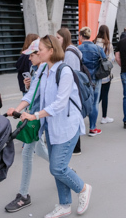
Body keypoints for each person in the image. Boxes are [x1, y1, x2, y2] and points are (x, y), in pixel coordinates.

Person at [19, 35, 92, 218]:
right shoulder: (43, 69)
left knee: (57, 168)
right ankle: (65, 205)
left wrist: (34, 115)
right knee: (58, 166)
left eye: (40, 50)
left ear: (51, 51)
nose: (37, 53)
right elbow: (32, 94)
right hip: (51, 127)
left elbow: (60, 104)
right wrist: (16, 108)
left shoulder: (65, 71)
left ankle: (83, 188)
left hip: (67, 126)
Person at [5, 39, 50, 212]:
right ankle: (64, 170)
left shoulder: (49, 70)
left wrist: (20, 111)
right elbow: (32, 93)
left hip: (39, 117)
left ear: (42, 53)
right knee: (39, 150)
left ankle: (23, 195)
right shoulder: (38, 69)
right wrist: (17, 110)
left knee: (27, 153)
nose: (29, 58)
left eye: (32, 54)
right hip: (35, 116)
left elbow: (36, 96)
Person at [57, 27, 83, 155]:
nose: (56, 40)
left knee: (73, 116)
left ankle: (76, 146)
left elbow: (70, 72)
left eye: (58, 38)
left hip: (72, 89)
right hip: (73, 88)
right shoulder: (70, 50)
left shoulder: (69, 52)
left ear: (64, 38)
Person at [78, 27, 107, 136]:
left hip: (82, 79)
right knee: (94, 103)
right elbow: (104, 61)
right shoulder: (98, 48)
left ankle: (79, 127)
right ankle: (92, 128)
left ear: (81, 36)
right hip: (96, 78)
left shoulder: (78, 48)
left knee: (81, 102)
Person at [94, 25, 115, 124]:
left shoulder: (93, 43)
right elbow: (111, 60)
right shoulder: (108, 45)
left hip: (94, 73)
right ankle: (104, 117)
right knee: (104, 95)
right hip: (105, 74)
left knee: (96, 95)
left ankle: (91, 111)